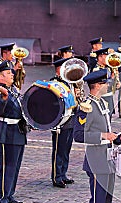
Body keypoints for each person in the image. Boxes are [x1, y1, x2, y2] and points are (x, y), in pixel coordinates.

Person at [73, 69, 121, 203]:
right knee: (98, 201)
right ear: (97, 86)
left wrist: (116, 137)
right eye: (105, 83)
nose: (107, 86)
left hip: (107, 158)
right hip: (95, 161)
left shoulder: (101, 103)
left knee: (106, 201)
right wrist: (103, 136)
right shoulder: (86, 106)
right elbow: (78, 135)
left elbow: (106, 129)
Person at [0, 61, 27, 203]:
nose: (12, 74)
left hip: (17, 131)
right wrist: (4, 99)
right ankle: (1, 198)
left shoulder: (14, 89)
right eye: (8, 73)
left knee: (15, 167)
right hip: (4, 133)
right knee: (6, 167)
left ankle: (10, 194)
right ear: (1, 76)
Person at [49, 58, 75, 188]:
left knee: (66, 149)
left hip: (70, 119)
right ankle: (56, 176)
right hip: (60, 120)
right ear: (58, 70)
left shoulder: (69, 82)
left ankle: (63, 173)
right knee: (58, 149)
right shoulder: (54, 83)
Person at [91, 47, 121, 119]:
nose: (108, 59)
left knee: (108, 117)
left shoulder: (108, 68)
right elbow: (100, 84)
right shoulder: (97, 70)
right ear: (100, 57)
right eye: (106, 57)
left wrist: (117, 83)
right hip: (102, 97)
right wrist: (112, 79)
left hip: (109, 96)